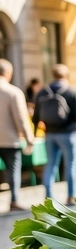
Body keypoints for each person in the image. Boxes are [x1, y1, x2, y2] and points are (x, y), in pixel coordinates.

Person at [33, 64, 76, 205]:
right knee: (71, 165)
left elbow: (36, 116)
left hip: (49, 134)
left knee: (50, 165)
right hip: (68, 133)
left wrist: (34, 134)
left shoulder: (43, 92)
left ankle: (48, 197)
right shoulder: (72, 91)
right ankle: (71, 196)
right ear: (66, 76)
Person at [0, 61, 35, 211]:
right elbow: (21, 118)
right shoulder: (13, 92)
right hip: (10, 140)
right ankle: (14, 201)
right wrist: (29, 139)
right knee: (13, 170)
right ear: (8, 73)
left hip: (9, 139)